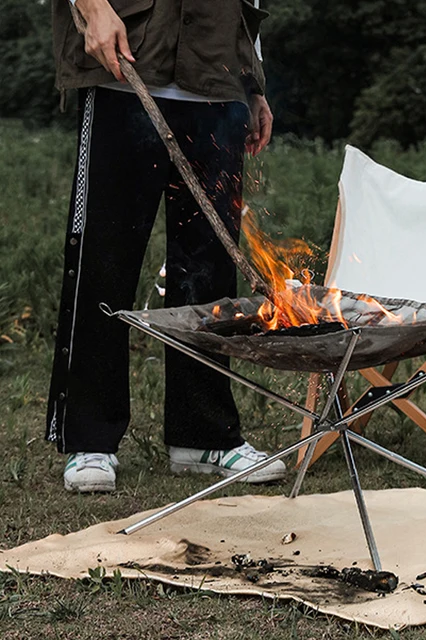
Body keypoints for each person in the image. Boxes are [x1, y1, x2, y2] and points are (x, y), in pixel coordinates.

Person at [47, 0, 286, 492]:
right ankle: (90, 438)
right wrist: (91, 6)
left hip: (217, 80)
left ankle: (202, 436)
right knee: (104, 258)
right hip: (126, 67)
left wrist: (253, 83)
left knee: (210, 269)